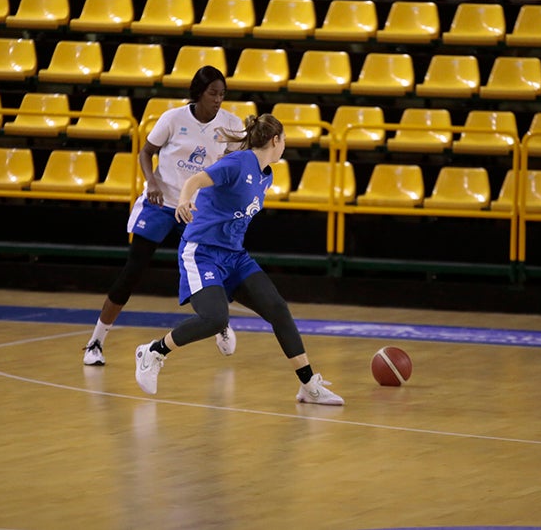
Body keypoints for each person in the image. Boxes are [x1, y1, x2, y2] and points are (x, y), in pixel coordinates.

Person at [133, 113, 344, 405]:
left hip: (235, 256)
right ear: (275, 140)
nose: (285, 147)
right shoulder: (238, 163)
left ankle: (308, 384)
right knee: (215, 318)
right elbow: (195, 179)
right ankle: (153, 351)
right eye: (284, 141)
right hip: (203, 252)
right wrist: (183, 200)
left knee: (278, 309)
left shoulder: (265, 174)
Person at [82, 66, 244, 366]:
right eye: (212, 93)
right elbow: (146, 151)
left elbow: (234, 164)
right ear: (198, 93)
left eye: (222, 94)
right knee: (133, 271)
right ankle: (95, 342)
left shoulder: (230, 125)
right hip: (161, 201)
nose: (218, 99)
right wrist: (151, 182)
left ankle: (219, 322)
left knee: (210, 271)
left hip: (196, 209)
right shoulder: (173, 118)